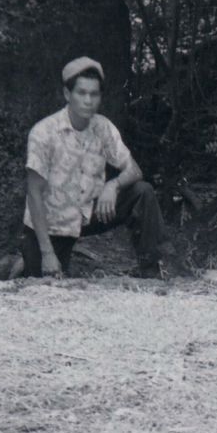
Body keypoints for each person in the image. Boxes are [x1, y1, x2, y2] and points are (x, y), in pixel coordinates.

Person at [18, 56, 165, 279]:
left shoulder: (103, 127)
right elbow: (34, 194)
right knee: (47, 283)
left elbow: (134, 169)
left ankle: (151, 271)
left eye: (94, 94)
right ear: (68, 95)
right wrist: (47, 253)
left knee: (141, 192)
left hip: (87, 214)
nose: (88, 100)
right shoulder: (44, 132)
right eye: (81, 93)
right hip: (53, 223)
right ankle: (19, 262)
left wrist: (113, 185)